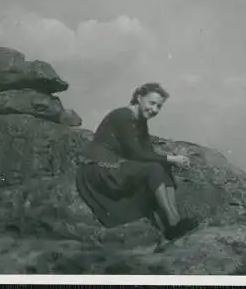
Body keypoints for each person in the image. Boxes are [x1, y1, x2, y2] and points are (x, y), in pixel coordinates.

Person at [76, 82, 197, 241]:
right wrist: (172, 158)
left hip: (116, 166)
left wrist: (169, 160)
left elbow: (148, 152)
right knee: (155, 168)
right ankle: (172, 222)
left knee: (162, 166)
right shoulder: (123, 116)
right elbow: (137, 153)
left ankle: (174, 220)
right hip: (100, 168)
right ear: (139, 98)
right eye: (152, 103)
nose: (154, 109)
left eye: (159, 106)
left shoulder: (140, 122)